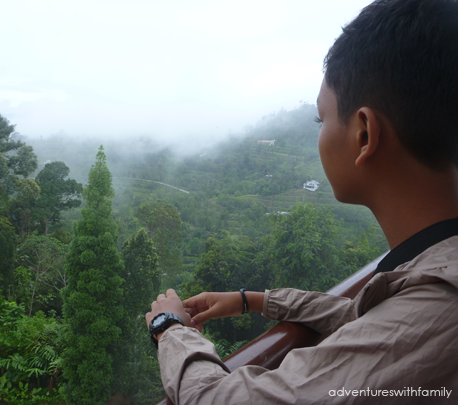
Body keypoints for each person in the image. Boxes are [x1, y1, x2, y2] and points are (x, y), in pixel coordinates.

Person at [145, 0, 458, 403]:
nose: (319, 135)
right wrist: (253, 302)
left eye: (320, 119)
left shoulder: (440, 306)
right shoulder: (432, 280)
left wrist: (170, 328)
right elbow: (367, 318)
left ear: (364, 134)